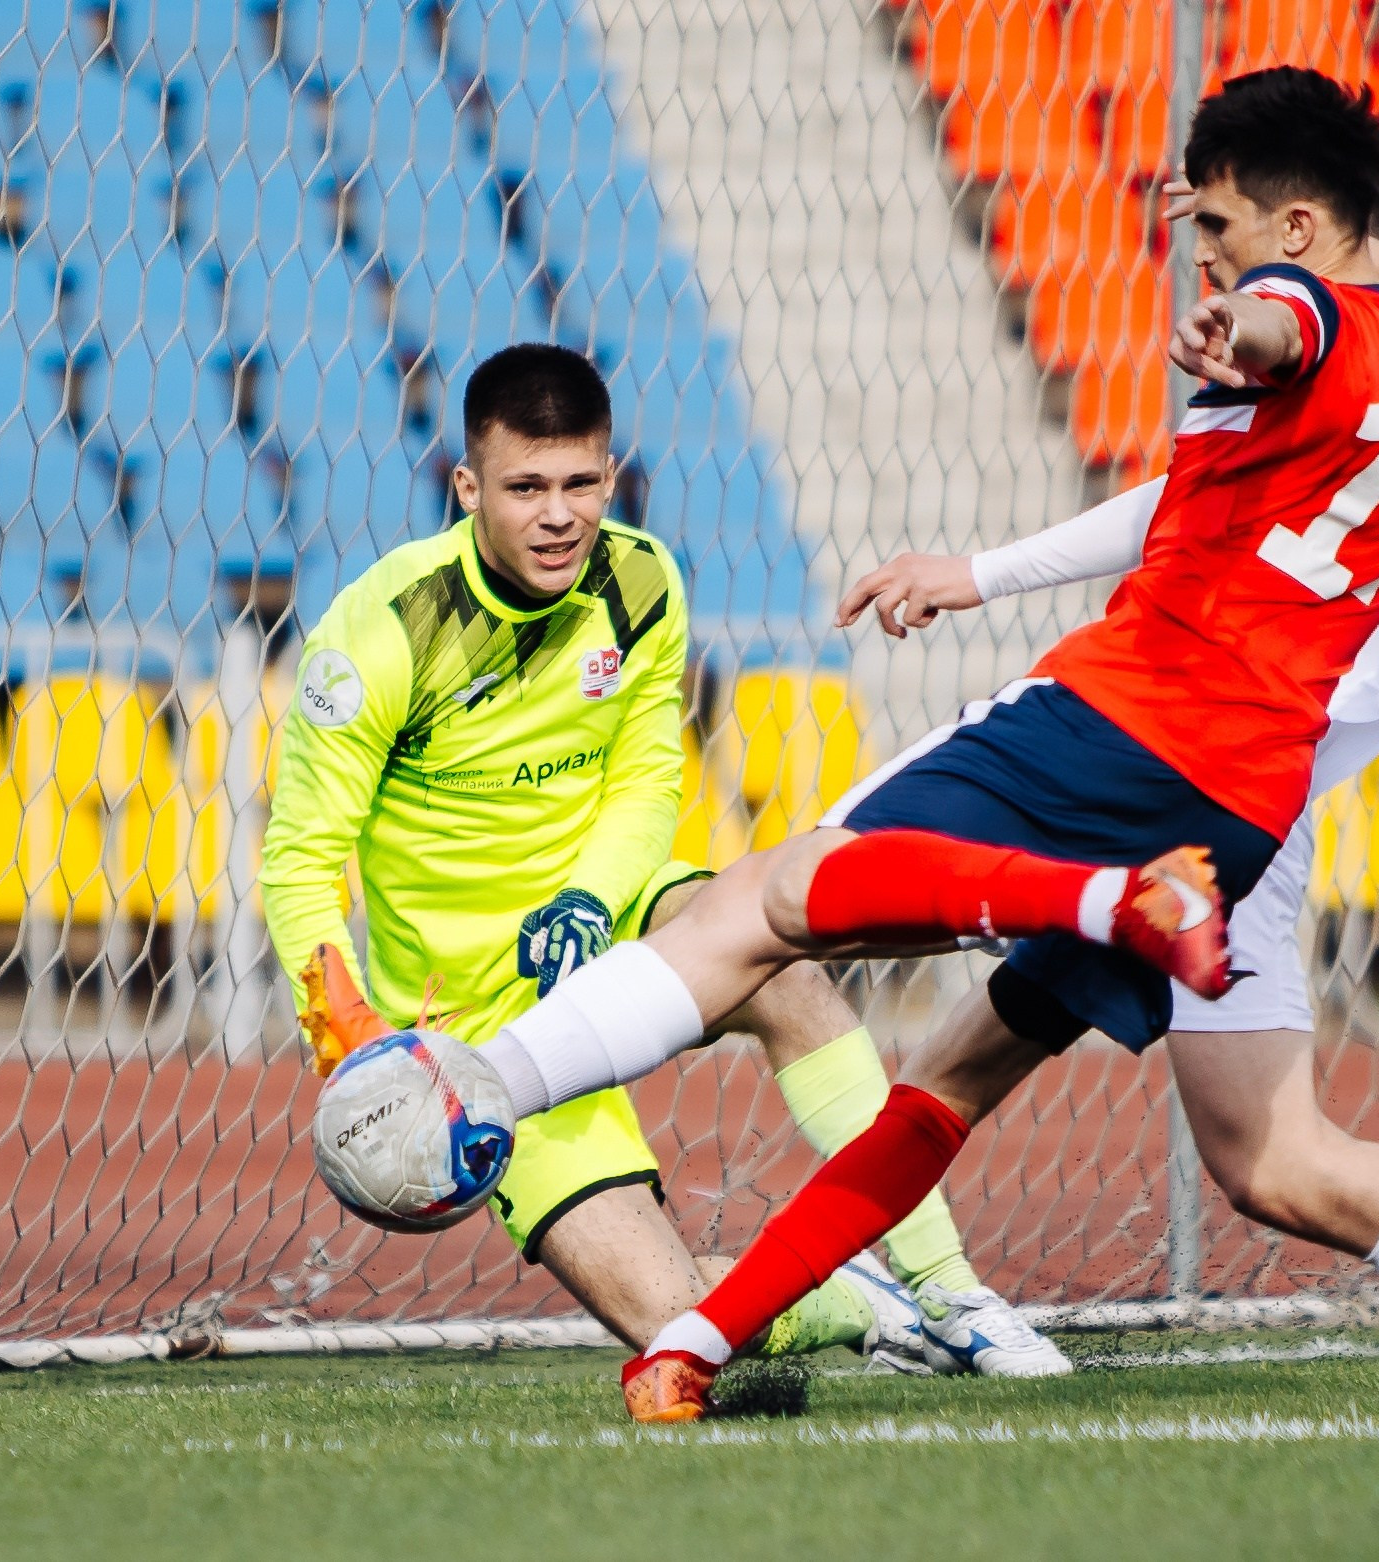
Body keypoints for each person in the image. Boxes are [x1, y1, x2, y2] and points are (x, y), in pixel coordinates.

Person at [451, 70, 1379, 1421]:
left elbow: (1286, 321)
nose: (1197, 251)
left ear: (1295, 229)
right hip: (1246, 808)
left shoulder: (1293, 314)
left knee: (767, 902)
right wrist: (1331, 247)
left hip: (1123, 730)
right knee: (1250, 1153)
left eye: (1215, 222)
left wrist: (1259, 304)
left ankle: (472, 1087)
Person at [260, 342, 1068, 1378]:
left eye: (579, 483)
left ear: (611, 474)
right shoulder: (381, 632)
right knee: (677, 1322)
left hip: (616, 909)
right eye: (525, 487)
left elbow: (647, 779)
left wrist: (588, 897)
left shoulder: (640, 578)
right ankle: (858, 1301)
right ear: (467, 488)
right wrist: (351, 1033)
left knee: (782, 965)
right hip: (474, 1021)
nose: (558, 515)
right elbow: (301, 859)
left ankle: (950, 1289)